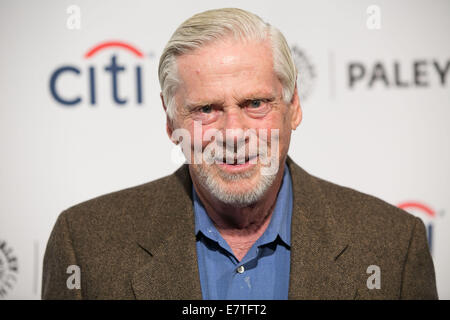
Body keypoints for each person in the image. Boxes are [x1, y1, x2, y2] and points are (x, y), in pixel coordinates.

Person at [42, 8, 438, 299]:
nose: (233, 133)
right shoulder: (85, 245)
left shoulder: (392, 244)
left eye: (255, 103)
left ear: (294, 108)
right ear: (170, 124)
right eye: (205, 109)